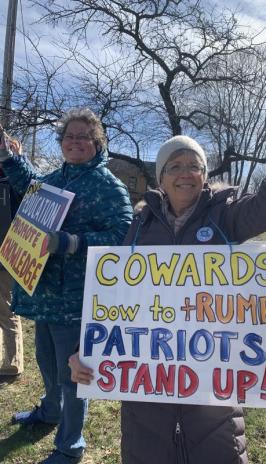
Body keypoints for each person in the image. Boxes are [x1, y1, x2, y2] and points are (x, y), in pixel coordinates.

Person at [69, 67, 266, 464]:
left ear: (205, 175)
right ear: (161, 178)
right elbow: (111, 301)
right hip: (146, 401)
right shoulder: (138, 227)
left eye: (194, 166)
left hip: (213, 401)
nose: (185, 173)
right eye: (174, 166)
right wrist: (84, 351)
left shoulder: (226, 217)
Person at [0, 108, 133, 464]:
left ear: (97, 143)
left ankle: (70, 446)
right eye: (69, 136)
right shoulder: (57, 177)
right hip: (44, 293)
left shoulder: (108, 185)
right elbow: (30, 186)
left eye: (83, 137)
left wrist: (69, 242)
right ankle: (50, 411)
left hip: (78, 298)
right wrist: (7, 156)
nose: (74, 142)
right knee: (46, 361)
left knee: (73, 375)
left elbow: (121, 236)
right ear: (61, 143)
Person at [0, 137, 24, 387]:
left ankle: (13, 362)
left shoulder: (14, 182)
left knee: (7, 310)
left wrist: (17, 158)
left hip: (7, 255)